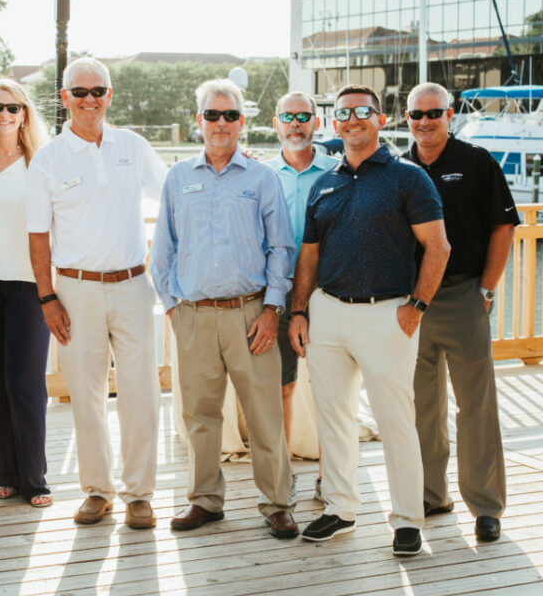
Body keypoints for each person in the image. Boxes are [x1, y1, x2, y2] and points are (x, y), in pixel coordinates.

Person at [287, 84, 450, 556]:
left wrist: (415, 307)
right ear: (333, 123)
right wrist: (300, 310)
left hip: (389, 314)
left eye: (363, 111)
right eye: (343, 113)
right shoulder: (325, 182)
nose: (352, 119)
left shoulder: (408, 177)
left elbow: (438, 247)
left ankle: (405, 520)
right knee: (333, 418)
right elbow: (309, 257)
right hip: (329, 314)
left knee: (396, 420)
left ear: (380, 119)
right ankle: (340, 509)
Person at [152, 79, 298, 538]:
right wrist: (174, 309)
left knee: (264, 413)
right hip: (194, 315)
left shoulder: (262, 178)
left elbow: (281, 248)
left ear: (241, 122)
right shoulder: (178, 178)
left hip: (251, 314)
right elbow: (163, 251)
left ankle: (276, 502)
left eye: (229, 116)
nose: (220, 124)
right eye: (212, 115)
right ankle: (205, 500)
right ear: (200, 120)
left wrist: (273, 309)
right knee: (199, 413)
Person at [27, 56, 167, 529]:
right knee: (85, 397)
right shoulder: (47, 159)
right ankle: (97, 491)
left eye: (98, 91)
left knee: (141, 393)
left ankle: (139, 495)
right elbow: (37, 235)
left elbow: (173, 192)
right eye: (80, 91)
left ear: (110, 95)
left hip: (132, 284)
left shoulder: (133, 146)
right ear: (64, 97)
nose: (90, 100)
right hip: (75, 290)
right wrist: (47, 297)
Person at [404, 81, 517, 543]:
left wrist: (486, 289)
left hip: (463, 294)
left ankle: (486, 506)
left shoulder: (476, 162)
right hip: (412, 303)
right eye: (416, 115)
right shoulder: (399, 167)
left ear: (449, 115)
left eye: (434, 113)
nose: (425, 122)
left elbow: (503, 226)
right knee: (421, 406)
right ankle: (431, 494)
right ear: (405, 119)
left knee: (475, 406)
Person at [0, 78, 52, 508]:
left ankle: (35, 478)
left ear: (24, 114)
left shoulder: (41, 160)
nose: (3, 114)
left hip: (28, 283)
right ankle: (8, 475)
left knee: (26, 381)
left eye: (12, 108)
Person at [265, 91, 340, 503]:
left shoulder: (338, 172)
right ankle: (282, 476)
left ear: (316, 122)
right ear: (276, 123)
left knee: (331, 388)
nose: (296, 124)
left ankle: (332, 478)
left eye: (303, 117)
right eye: (287, 117)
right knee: (282, 387)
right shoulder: (261, 175)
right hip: (277, 292)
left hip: (327, 292)